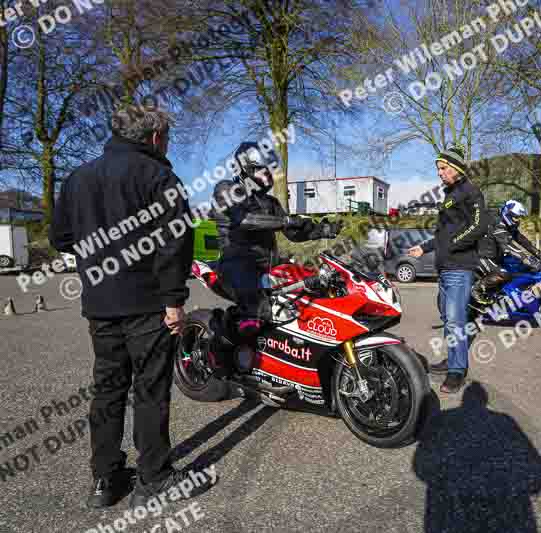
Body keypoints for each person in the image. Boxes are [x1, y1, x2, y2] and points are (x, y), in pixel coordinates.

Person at [50, 105, 204, 509]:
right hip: (148, 303)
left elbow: (61, 238)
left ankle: (105, 479)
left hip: (99, 303)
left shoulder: (78, 178)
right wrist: (174, 301)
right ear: (154, 138)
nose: (167, 145)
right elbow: (176, 243)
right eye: (166, 138)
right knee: (150, 391)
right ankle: (154, 478)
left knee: (107, 390)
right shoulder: (159, 177)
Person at [211, 141, 342, 337]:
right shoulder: (227, 189)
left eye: (270, 171)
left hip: (268, 267)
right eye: (264, 171)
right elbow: (246, 220)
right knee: (257, 312)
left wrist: (322, 229)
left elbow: (293, 233)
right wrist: (286, 220)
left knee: (309, 288)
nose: (269, 175)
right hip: (236, 263)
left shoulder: (271, 202)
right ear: (246, 169)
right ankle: (221, 351)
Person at [409, 144, 488, 393]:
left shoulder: (471, 191)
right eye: (438, 169)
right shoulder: (449, 195)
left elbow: (478, 226)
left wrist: (451, 246)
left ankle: (457, 370)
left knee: (455, 320)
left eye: (443, 168)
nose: (440, 173)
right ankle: (452, 359)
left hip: (460, 267)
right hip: (444, 268)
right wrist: (425, 248)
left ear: (456, 168)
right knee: (447, 318)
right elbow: (443, 234)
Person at [472, 200, 541, 306]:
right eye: (515, 217)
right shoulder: (497, 223)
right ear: (507, 213)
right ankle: (477, 290)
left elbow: (520, 239)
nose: (517, 220)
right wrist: (530, 261)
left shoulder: (507, 224)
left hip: (495, 255)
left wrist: (538, 253)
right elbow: (508, 247)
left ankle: (507, 296)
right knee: (504, 273)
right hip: (482, 256)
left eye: (519, 217)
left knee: (519, 267)